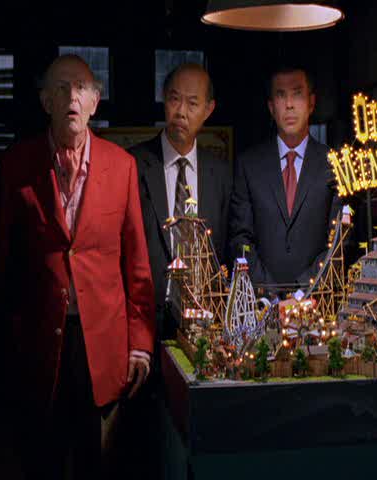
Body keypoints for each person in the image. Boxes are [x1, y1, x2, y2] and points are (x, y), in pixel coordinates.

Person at [0, 54, 155, 478]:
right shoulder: (17, 164)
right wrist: (10, 341)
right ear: (45, 101)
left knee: (98, 463)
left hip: (103, 346)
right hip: (39, 345)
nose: (72, 96)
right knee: (42, 461)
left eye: (81, 87)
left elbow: (137, 264)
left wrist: (140, 342)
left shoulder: (121, 166)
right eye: (61, 87)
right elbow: (4, 263)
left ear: (95, 102)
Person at [129, 63, 231, 339]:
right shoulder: (133, 165)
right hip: (145, 320)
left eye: (193, 103)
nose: (181, 112)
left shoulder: (221, 174)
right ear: (164, 99)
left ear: (208, 110)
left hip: (204, 323)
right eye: (174, 99)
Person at [228, 66, 340, 290]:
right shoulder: (249, 165)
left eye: (297, 94)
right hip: (260, 300)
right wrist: (269, 295)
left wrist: (300, 295)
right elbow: (240, 239)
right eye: (281, 95)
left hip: (316, 299)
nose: (289, 104)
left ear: (311, 103)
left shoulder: (334, 164)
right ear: (271, 107)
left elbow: (339, 242)